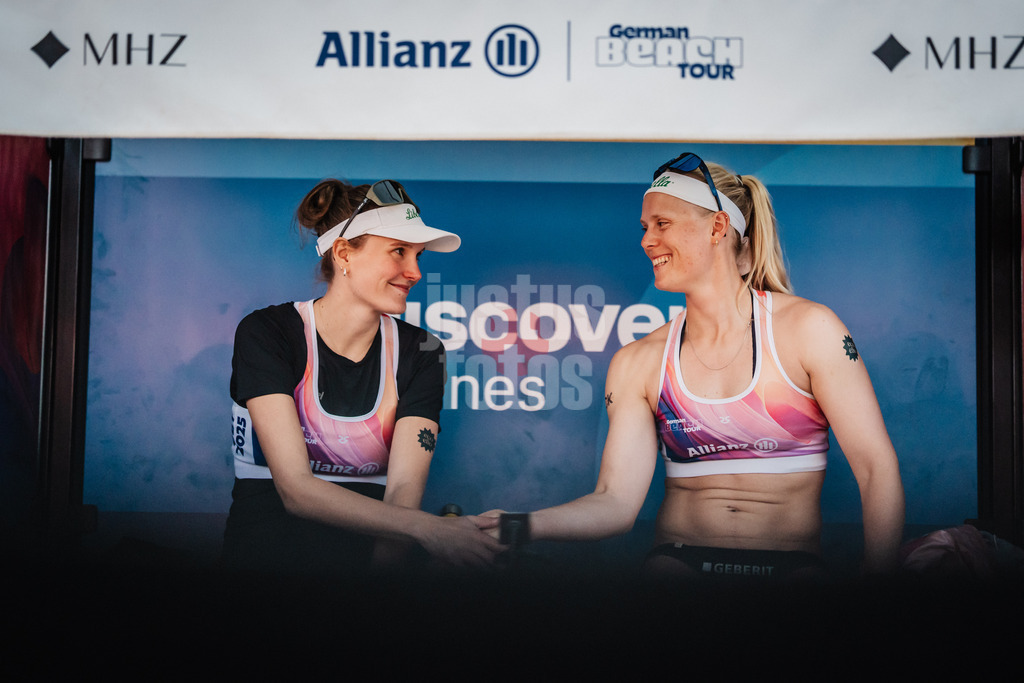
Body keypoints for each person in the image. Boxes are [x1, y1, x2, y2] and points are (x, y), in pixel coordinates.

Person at [492, 152, 905, 581]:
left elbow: (877, 469)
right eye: (645, 227)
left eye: (662, 224)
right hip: (680, 563)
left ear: (717, 227)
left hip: (791, 565)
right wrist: (518, 525)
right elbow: (615, 503)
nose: (646, 240)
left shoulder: (810, 330)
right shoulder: (640, 360)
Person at [224, 178, 503, 577]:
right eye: (398, 252)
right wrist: (433, 530)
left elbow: (404, 492)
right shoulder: (267, 332)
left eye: (419, 256)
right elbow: (296, 491)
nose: (415, 272)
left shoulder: (423, 352)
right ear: (343, 254)